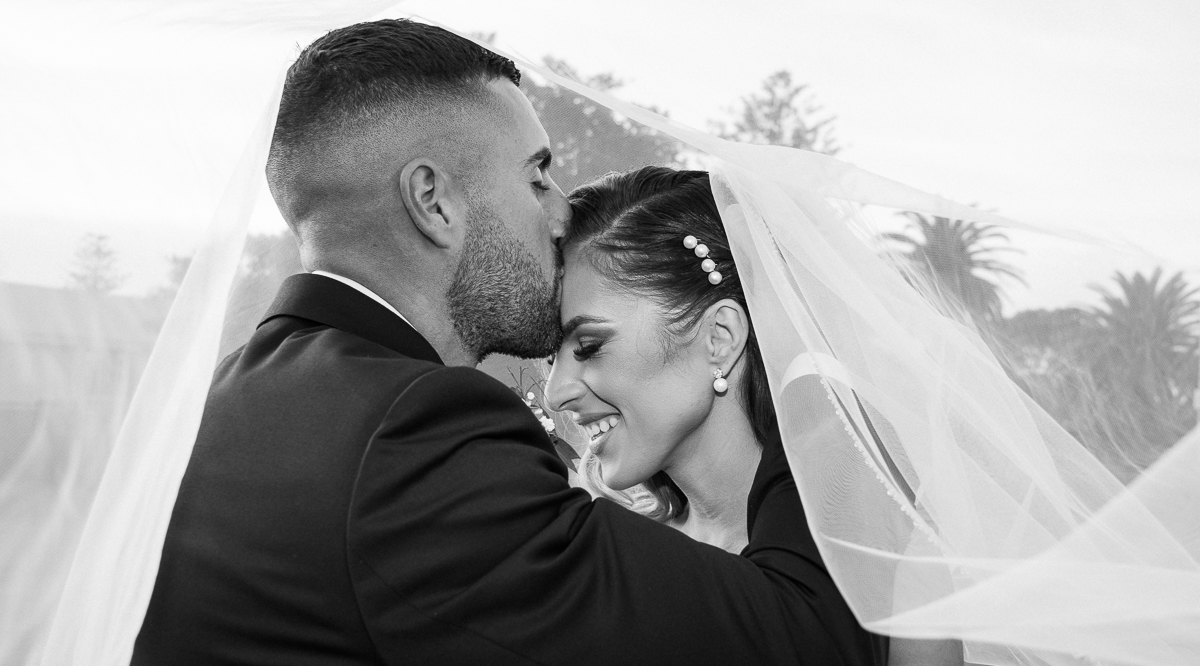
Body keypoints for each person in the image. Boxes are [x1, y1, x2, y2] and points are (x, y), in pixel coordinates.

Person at [131, 19, 885, 665]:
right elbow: (810, 638)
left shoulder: (236, 393)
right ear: (434, 202)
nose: (561, 215)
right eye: (536, 179)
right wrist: (809, 372)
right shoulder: (410, 433)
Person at [546, 166, 963, 666]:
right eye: (552, 355)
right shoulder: (608, 561)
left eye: (589, 346)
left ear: (719, 338)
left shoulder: (898, 561)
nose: (555, 394)